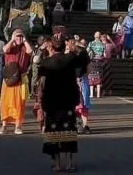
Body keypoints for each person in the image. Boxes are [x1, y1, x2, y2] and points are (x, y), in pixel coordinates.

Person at [39, 34, 89, 172]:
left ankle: (56, 164)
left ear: (52, 46)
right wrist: (76, 47)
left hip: (52, 101)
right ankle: (68, 163)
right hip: (68, 101)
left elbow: (39, 74)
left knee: (54, 130)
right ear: (64, 46)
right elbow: (85, 59)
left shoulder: (47, 62)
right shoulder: (71, 58)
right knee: (68, 130)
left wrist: (40, 50)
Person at [0, 29, 33, 135]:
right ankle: (4, 125)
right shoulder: (10, 47)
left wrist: (25, 40)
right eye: (17, 36)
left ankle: (18, 125)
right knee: (4, 102)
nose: (19, 38)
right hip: (9, 79)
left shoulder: (24, 47)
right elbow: (4, 50)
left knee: (19, 103)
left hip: (20, 79)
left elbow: (30, 51)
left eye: (20, 36)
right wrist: (12, 39)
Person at [73, 39, 92, 134]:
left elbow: (89, 67)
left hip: (79, 81)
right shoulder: (83, 54)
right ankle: (82, 125)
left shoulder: (81, 54)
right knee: (81, 104)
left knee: (81, 104)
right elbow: (89, 68)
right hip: (80, 80)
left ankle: (83, 125)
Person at [86, 32, 105, 99]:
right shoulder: (102, 44)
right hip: (99, 62)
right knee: (99, 78)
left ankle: (91, 94)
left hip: (92, 62)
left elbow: (87, 51)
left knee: (91, 78)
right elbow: (105, 54)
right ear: (100, 37)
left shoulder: (91, 43)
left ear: (94, 36)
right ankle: (98, 94)